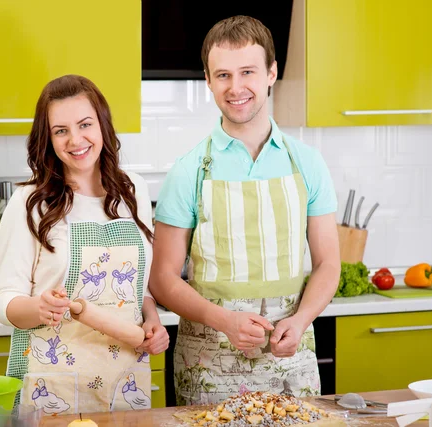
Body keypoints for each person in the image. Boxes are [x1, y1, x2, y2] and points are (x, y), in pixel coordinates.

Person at [150, 15, 340, 405]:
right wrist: (225, 321)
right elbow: (162, 279)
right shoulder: (189, 171)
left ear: (271, 73)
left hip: (292, 360)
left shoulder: (306, 163)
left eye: (248, 72)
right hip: (209, 365)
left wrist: (300, 320)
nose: (235, 88)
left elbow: (328, 264)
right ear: (207, 79)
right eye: (222, 75)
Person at [0, 74, 169, 415]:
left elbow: (137, 289)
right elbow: (3, 300)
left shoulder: (134, 190)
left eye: (85, 124)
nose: (75, 140)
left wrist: (152, 320)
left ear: (102, 125)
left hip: (124, 383)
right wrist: (38, 308)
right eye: (61, 131)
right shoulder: (30, 201)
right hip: (50, 388)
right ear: (48, 139)